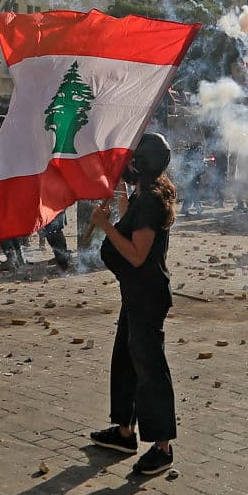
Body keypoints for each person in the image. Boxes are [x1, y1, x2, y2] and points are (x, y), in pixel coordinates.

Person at [89, 132, 178, 476]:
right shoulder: (145, 194)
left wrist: (104, 227)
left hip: (146, 295)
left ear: (140, 163)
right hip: (135, 293)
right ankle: (125, 432)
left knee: (149, 369)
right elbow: (133, 222)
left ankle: (162, 448)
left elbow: (138, 254)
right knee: (125, 359)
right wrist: (120, 200)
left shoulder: (151, 201)